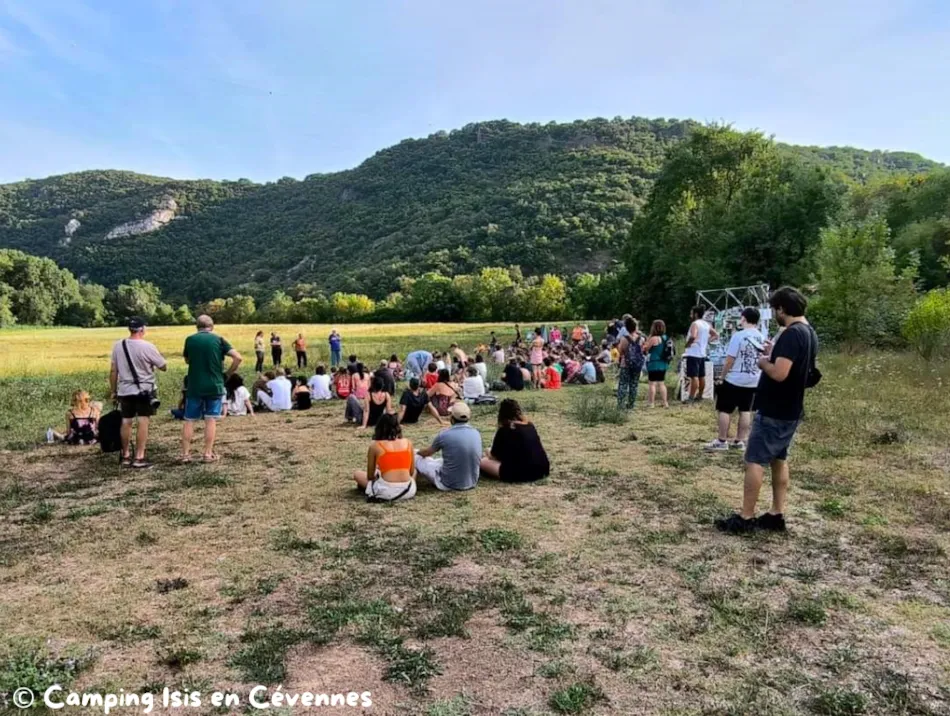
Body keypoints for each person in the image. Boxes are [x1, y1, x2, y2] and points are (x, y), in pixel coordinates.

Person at [716, 287, 819, 535]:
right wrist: (774, 354)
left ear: (782, 309)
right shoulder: (809, 332)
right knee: (779, 460)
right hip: (791, 408)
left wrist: (764, 362)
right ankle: (776, 513)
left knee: (755, 460)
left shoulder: (792, 334)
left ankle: (746, 517)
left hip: (775, 408)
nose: (774, 314)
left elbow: (780, 373)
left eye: (775, 310)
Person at [180, 315, 243, 463]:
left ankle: (185, 455)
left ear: (197, 326)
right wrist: (228, 373)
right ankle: (207, 454)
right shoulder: (219, 339)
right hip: (215, 384)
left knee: (189, 420)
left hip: (195, 385)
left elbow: (187, 360)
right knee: (210, 420)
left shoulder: (190, 340)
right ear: (212, 326)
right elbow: (238, 358)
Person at [110, 316, 167, 469]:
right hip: (145, 390)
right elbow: (163, 366)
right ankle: (139, 457)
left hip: (125, 389)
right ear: (142, 329)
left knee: (126, 421)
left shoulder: (118, 345)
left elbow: (113, 370)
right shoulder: (147, 346)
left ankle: (126, 455)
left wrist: (113, 391)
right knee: (143, 421)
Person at [706, 308, 765, 451]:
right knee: (746, 410)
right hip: (753, 379)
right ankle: (740, 440)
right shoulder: (762, 336)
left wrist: (722, 376)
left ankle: (722, 440)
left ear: (743, 318)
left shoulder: (738, 336)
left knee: (724, 409)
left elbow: (730, 359)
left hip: (735, 378)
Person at [415, 402, 482, 491]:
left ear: (452, 418)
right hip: (472, 482)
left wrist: (416, 452)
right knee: (439, 461)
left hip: (448, 484)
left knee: (418, 459)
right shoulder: (476, 433)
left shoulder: (444, 434)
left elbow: (427, 453)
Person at [480, 399, 550, 483]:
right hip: (542, 469)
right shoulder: (530, 425)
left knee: (482, 461)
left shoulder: (505, 429)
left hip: (521, 473)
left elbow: (494, 456)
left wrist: (488, 452)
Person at [353, 414, 417, 502]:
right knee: (415, 471)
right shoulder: (408, 443)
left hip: (386, 492)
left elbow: (370, 476)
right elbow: (411, 472)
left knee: (357, 474)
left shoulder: (375, 446)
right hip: (409, 491)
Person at [684, 306, 719, 403]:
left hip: (693, 352)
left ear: (695, 314)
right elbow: (716, 335)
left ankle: (691, 397)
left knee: (693, 376)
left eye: (691, 313)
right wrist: (706, 341)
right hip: (702, 353)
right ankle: (700, 395)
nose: (690, 315)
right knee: (701, 376)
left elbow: (693, 336)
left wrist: (688, 344)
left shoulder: (695, 324)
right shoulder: (706, 324)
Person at [616, 316, 644, 411]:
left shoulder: (624, 339)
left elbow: (620, 351)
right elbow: (643, 350)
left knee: (623, 384)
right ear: (636, 327)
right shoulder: (641, 339)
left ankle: (621, 405)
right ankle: (631, 404)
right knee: (634, 384)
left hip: (626, 364)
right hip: (637, 364)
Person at [643, 320, 671, 408]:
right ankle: (665, 402)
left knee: (652, 384)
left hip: (654, 363)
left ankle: (651, 403)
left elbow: (646, 349)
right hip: (663, 363)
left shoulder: (653, 339)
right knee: (662, 383)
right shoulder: (666, 337)